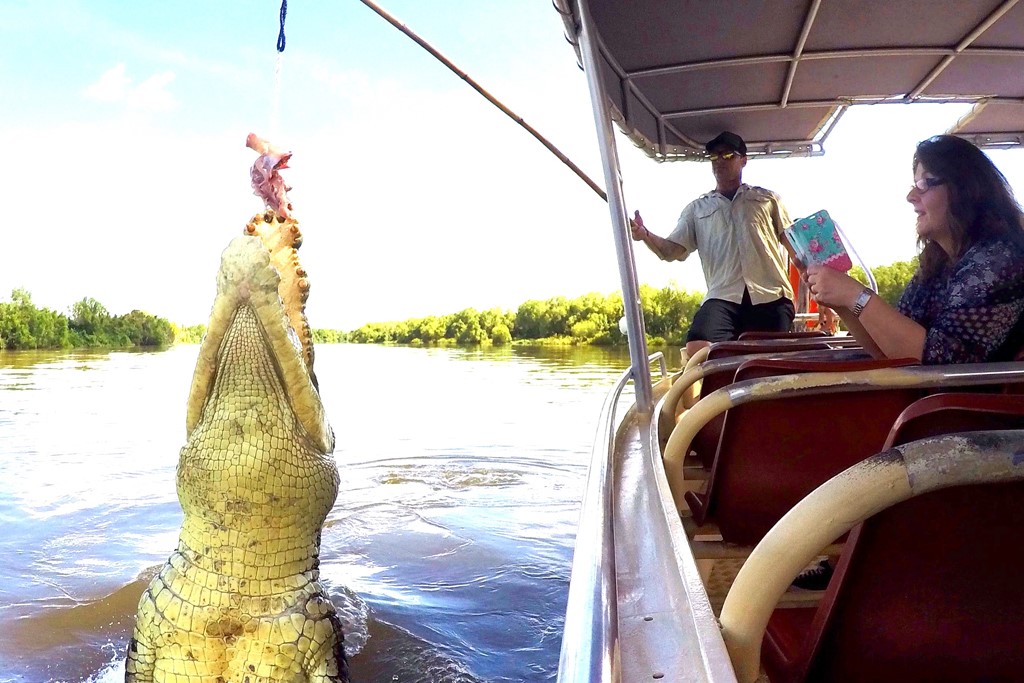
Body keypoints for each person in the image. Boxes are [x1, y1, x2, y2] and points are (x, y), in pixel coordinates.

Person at [807, 134, 1024, 364]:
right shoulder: (938, 264)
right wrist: (841, 301)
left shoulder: (1000, 259)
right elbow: (889, 347)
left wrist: (855, 295)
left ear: (965, 189)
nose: (911, 196)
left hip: (969, 400)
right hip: (933, 398)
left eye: (925, 183)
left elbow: (939, 360)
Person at [630, 131, 795, 358]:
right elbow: (670, 251)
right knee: (697, 346)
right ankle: (723, 390)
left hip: (771, 295)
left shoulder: (768, 199)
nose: (719, 161)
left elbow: (793, 245)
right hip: (723, 296)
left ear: (744, 160)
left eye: (727, 155)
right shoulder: (696, 209)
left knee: (770, 358)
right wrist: (644, 234)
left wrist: (823, 297)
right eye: (714, 157)